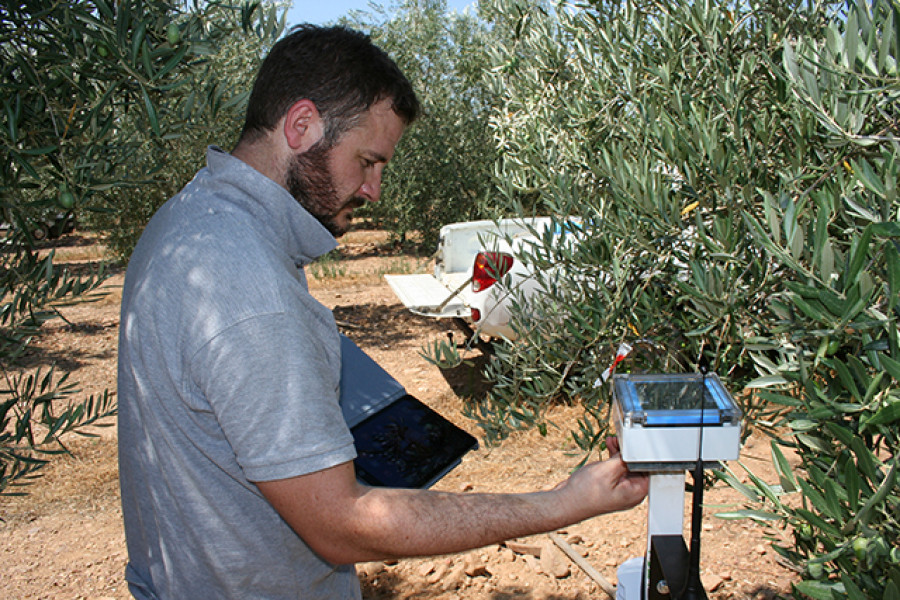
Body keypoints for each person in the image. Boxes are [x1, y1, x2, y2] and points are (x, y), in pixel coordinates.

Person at [117, 24, 648, 600]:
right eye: (368, 161)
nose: (374, 190)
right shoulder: (248, 285)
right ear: (301, 127)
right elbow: (343, 526)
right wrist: (565, 502)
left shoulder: (187, 221)